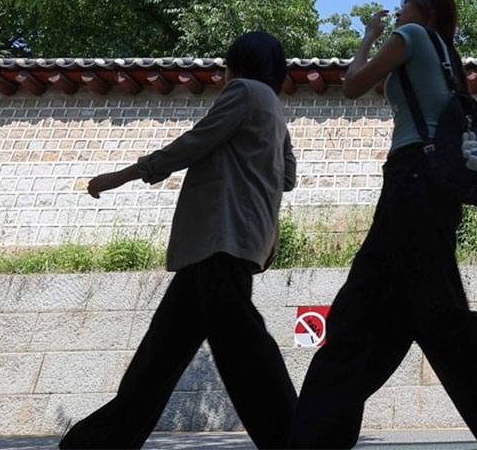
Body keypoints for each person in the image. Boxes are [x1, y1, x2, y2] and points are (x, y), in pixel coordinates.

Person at [289, 0, 477, 449]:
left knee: (434, 320)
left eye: (405, 4)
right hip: (426, 189)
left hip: (412, 184)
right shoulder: (444, 59)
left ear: (427, 10)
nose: (399, 12)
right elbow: (378, 85)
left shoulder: (415, 38)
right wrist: (378, 37)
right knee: (371, 318)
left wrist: (369, 35)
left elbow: (353, 85)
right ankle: (313, 436)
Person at [59, 32, 298, 450]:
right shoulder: (274, 108)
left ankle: (296, 437)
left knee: (245, 350)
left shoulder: (242, 91)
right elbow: (289, 177)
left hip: (220, 237)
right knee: (160, 358)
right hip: (240, 239)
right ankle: (98, 441)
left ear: (237, 64)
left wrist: (122, 176)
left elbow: (193, 143)